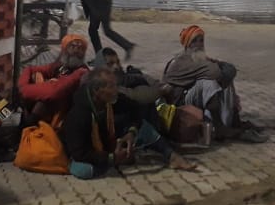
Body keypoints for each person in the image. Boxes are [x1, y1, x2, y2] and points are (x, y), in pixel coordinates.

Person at [60, 67, 196, 179]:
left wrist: (131, 132)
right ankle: (117, 160)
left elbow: (136, 109)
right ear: (97, 91)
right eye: (111, 86)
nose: (116, 90)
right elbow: (80, 153)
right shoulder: (79, 114)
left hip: (107, 142)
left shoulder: (110, 99)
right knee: (84, 170)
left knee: (143, 127)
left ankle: (171, 156)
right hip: (82, 152)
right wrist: (112, 158)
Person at [161, 25, 266, 143]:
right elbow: (218, 72)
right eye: (194, 41)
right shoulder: (182, 60)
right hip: (178, 106)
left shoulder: (198, 59)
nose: (199, 44)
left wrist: (217, 65)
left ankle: (235, 123)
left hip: (191, 98)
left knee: (224, 83)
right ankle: (220, 128)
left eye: (201, 40)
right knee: (208, 83)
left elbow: (223, 72)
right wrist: (218, 65)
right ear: (187, 44)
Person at [17, 34, 90, 125]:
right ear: (64, 49)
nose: (76, 50)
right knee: (32, 84)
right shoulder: (60, 64)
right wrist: (23, 85)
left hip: (66, 110)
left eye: (80, 48)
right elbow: (31, 69)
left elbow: (55, 91)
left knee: (43, 101)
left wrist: (24, 89)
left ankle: (29, 125)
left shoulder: (82, 71)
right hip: (52, 102)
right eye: (73, 46)